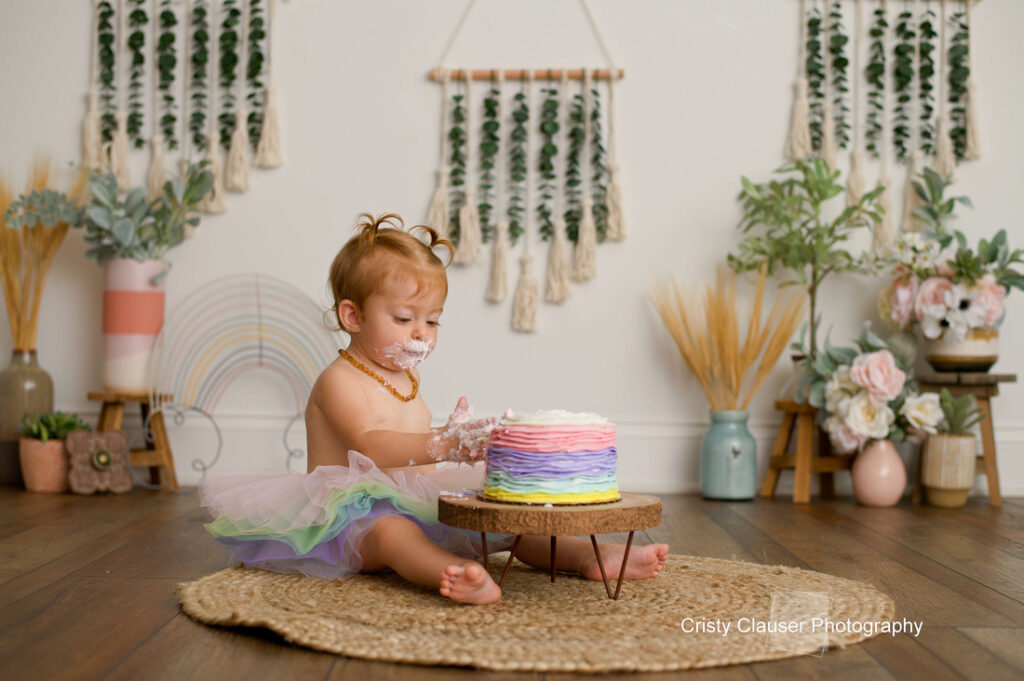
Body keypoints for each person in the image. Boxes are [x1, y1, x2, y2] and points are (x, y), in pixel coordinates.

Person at [202, 213, 668, 604]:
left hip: (419, 501)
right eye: (404, 319)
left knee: (506, 521)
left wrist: (458, 436)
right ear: (353, 316)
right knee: (392, 533)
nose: (421, 333)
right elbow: (374, 446)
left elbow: (415, 440)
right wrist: (444, 442)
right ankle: (449, 571)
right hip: (350, 518)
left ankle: (587, 557)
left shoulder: (404, 374)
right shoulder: (339, 381)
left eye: (432, 320)